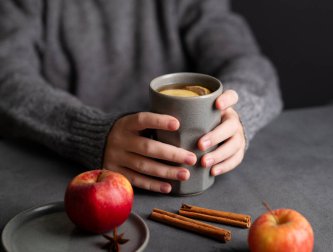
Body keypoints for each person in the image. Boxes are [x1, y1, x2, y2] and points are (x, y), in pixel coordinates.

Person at [0, 0, 282, 193]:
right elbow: (9, 79)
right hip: (65, 183)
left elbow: (248, 63)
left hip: (194, 184)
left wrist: (238, 111)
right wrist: (90, 133)